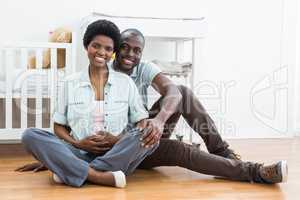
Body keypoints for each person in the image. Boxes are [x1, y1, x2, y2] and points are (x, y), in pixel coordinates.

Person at [16, 28, 288, 184]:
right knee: (33, 135)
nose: (130, 55)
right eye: (124, 48)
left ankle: (237, 160)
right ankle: (90, 170)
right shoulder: (96, 71)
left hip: (138, 139)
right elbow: (70, 124)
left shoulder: (143, 69)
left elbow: (170, 92)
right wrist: (57, 154)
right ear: (112, 50)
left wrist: (157, 123)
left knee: (181, 93)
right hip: (115, 147)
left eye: (137, 50)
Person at [18, 20, 158, 188]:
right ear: (86, 46)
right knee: (30, 135)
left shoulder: (125, 82)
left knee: (151, 135)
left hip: (116, 153)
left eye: (108, 49)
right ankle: (100, 176)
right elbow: (58, 127)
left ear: (113, 52)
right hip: (78, 152)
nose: (101, 52)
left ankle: (72, 171)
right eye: (96, 46)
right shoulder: (70, 83)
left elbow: (141, 122)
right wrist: (78, 143)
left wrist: (117, 140)